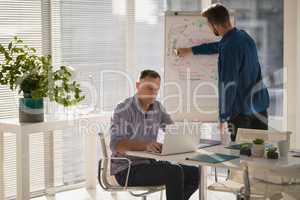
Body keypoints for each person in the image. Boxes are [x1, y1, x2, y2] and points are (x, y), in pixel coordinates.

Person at [177, 4, 270, 141]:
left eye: (209, 25)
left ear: (214, 24)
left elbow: (228, 84)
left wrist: (223, 117)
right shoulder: (243, 37)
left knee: (243, 156)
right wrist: (191, 50)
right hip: (259, 106)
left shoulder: (229, 47)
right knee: (260, 154)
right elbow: (219, 46)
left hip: (241, 113)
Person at [109, 70, 199, 200]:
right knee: (174, 171)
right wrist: (146, 145)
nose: (153, 93)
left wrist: (186, 136)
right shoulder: (124, 108)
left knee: (194, 173)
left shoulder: (157, 107)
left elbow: (172, 130)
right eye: (149, 88)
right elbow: (116, 145)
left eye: (156, 89)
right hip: (127, 169)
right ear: (138, 85)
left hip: (149, 164)